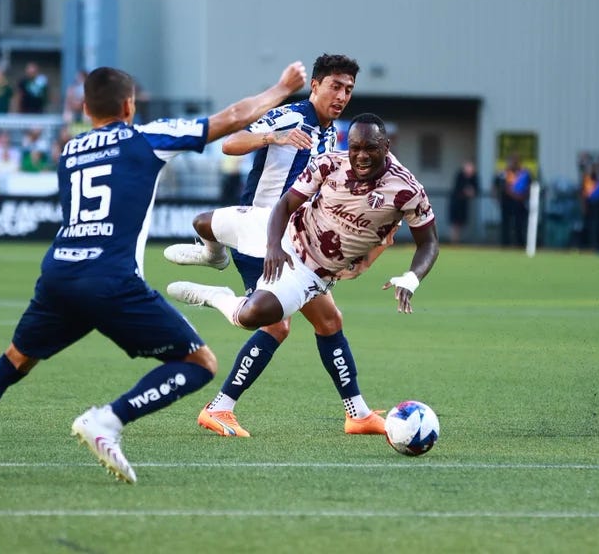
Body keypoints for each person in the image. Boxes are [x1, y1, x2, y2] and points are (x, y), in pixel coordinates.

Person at [0, 60, 307, 482]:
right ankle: (108, 421)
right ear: (129, 105)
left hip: (60, 274)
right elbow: (229, 120)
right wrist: (280, 88)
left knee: (13, 362)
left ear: (86, 109)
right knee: (199, 363)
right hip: (112, 279)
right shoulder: (146, 138)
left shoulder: (70, 150)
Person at [167, 114, 440, 435]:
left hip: (311, 271)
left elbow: (429, 242)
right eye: (355, 148)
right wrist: (273, 247)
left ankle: (219, 298)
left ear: (386, 146)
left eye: (371, 148)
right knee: (202, 222)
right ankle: (213, 256)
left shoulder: (407, 190)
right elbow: (285, 205)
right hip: (279, 230)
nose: (362, 155)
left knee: (259, 315)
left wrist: (411, 277)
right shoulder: (329, 163)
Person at [165, 55, 388, 438]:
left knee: (329, 321)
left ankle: (357, 414)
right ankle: (219, 406)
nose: (342, 95)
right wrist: (273, 137)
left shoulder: (332, 133)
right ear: (315, 85)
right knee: (277, 325)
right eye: (335, 86)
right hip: (260, 236)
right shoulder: (290, 116)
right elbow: (231, 144)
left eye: (348, 89)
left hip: (299, 242)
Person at [496, 154, 531, 247]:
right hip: (507, 203)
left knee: (519, 225)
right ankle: (505, 245)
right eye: (511, 160)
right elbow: (500, 187)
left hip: (520, 204)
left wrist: (522, 196)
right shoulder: (504, 173)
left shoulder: (524, 173)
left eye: (516, 160)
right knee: (506, 226)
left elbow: (529, 187)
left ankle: (520, 245)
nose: (513, 163)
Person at [448, 160, 479, 244]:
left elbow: (475, 190)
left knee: (461, 224)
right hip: (455, 203)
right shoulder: (459, 175)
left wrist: (471, 192)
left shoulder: (474, 177)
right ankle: (454, 241)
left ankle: (458, 241)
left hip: (464, 205)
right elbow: (459, 189)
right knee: (455, 224)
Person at [579, 161, 599, 250]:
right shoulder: (588, 180)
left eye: (598, 169)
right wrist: (584, 206)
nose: (596, 170)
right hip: (590, 206)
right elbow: (583, 195)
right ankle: (589, 245)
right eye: (594, 168)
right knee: (590, 227)